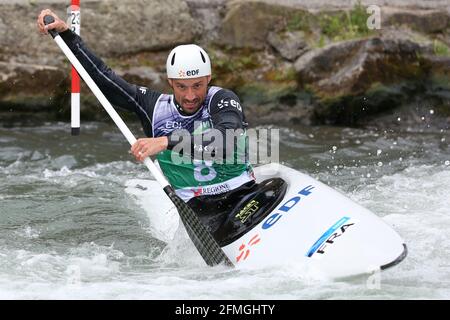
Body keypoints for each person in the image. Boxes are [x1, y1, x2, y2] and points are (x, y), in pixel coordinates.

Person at [36, 9, 271, 244]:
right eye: (181, 87)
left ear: (208, 79)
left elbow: (225, 142)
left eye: (197, 86)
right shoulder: (153, 107)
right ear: (170, 82)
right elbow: (103, 77)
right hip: (197, 209)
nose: (190, 95)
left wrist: (166, 141)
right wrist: (67, 35)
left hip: (243, 193)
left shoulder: (222, 99)